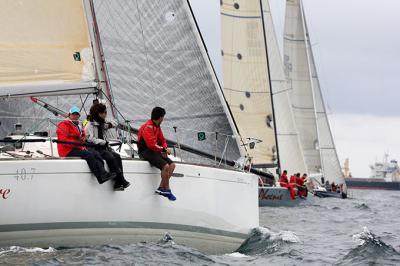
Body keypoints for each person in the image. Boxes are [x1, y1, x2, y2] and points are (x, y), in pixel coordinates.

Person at [56, 106, 116, 184]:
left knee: (96, 153)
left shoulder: (77, 124)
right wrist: (80, 146)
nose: (76, 116)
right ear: (69, 115)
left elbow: (82, 135)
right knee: (89, 154)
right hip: (67, 150)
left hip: (76, 147)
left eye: (77, 114)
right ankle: (100, 176)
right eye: (74, 114)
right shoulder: (64, 124)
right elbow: (64, 140)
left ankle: (104, 173)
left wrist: (83, 138)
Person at [84, 103, 130, 191]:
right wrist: (103, 142)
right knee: (110, 157)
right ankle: (121, 180)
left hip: (103, 147)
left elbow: (115, 123)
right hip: (95, 147)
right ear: (99, 113)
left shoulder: (102, 123)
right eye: (104, 112)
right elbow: (90, 139)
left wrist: (108, 125)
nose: (106, 114)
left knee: (117, 156)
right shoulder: (90, 124)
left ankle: (118, 182)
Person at [137, 107, 176, 201]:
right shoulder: (148, 127)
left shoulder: (157, 126)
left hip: (154, 151)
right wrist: (163, 150)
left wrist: (165, 148)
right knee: (165, 166)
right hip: (145, 151)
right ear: (160, 117)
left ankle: (161, 188)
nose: (163, 119)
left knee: (172, 165)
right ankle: (167, 189)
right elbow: (151, 145)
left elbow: (162, 140)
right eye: (163, 117)